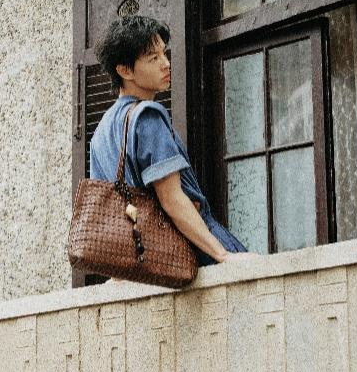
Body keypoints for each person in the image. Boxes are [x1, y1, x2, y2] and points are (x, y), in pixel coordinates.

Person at [89, 14, 251, 266]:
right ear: (124, 70)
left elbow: (109, 213)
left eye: (163, 53)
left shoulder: (100, 134)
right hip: (189, 247)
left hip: (143, 259)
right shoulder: (147, 116)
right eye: (153, 58)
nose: (165, 64)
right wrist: (223, 255)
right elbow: (172, 199)